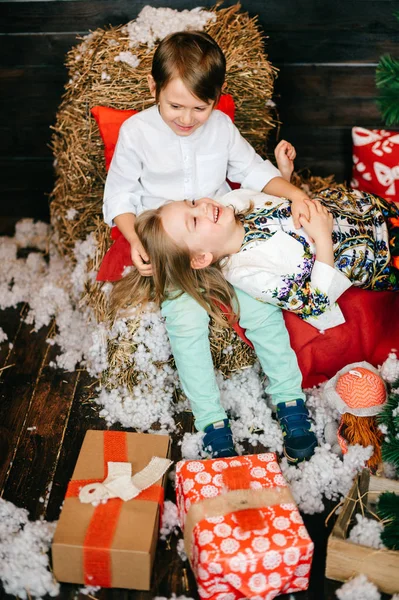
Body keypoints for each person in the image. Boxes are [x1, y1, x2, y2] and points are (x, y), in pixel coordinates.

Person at [103, 31, 319, 461]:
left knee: (261, 308)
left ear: (217, 99)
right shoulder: (136, 132)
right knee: (184, 322)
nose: (186, 118)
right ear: (153, 89)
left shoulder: (219, 127)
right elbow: (120, 195)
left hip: (221, 236)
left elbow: (253, 171)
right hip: (175, 245)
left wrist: (293, 193)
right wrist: (132, 238)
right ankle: (211, 421)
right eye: (174, 106)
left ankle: (290, 402)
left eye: (199, 108)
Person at [125, 144, 399, 334]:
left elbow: (279, 203)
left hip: (369, 209)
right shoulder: (248, 272)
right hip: (381, 256)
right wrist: (323, 239)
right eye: (194, 220)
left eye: (193, 202)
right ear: (201, 257)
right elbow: (315, 303)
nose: (204, 206)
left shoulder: (233, 200)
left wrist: (284, 175)